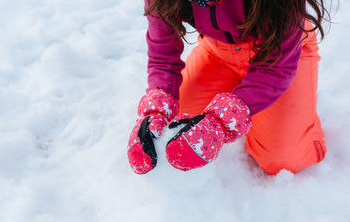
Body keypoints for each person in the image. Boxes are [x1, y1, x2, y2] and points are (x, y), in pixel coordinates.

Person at [127, 0, 330, 175]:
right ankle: (252, 101)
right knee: (176, 123)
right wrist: (155, 109)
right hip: (217, 53)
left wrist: (220, 121)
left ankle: (302, 126)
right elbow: (162, 57)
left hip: (277, 54)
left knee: (282, 160)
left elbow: (277, 67)